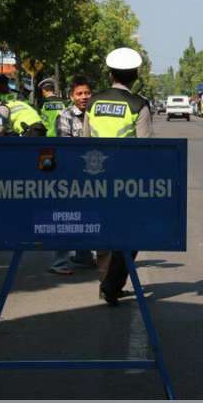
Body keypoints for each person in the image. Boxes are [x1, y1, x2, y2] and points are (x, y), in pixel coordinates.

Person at [83, 47, 153, 306]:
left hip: (97, 178)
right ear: (135, 76)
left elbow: (85, 142)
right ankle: (111, 284)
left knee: (104, 232)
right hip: (128, 181)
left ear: (110, 74)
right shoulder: (138, 104)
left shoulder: (94, 102)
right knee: (132, 235)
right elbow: (146, 148)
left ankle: (106, 283)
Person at [48, 75, 94, 275]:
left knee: (85, 216)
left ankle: (83, 257)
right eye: (79, 93)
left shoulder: (95, 114)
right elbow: (65, 147)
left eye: (87, 93)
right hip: (70, 175)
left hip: (90, 175)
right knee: (66, 219)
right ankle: (59, 262)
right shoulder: (65, 116)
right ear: (71, 95)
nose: (84, 97)